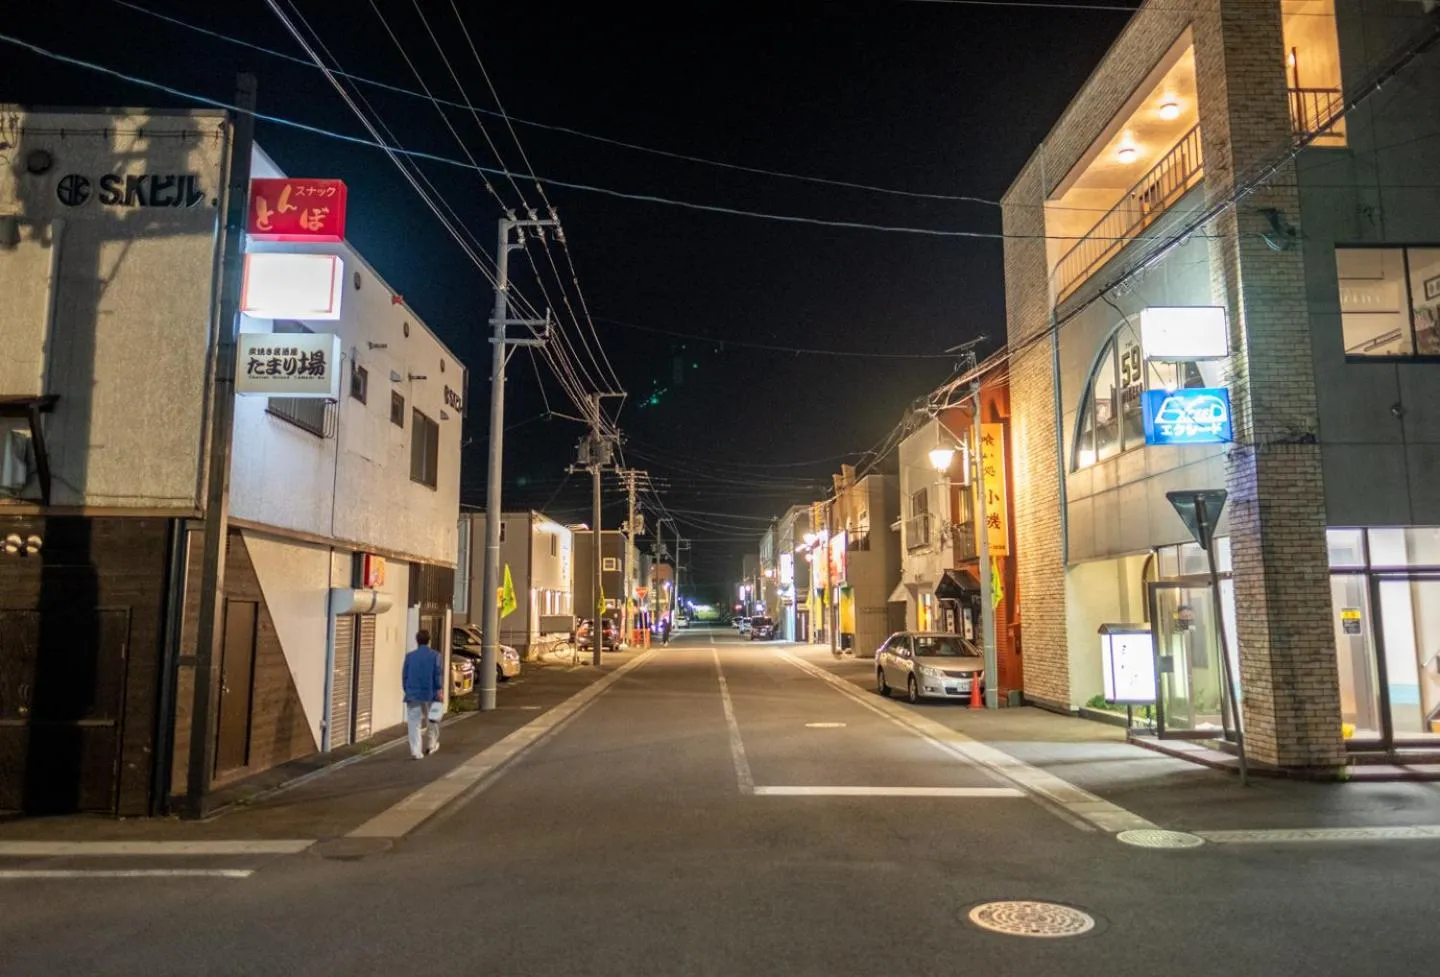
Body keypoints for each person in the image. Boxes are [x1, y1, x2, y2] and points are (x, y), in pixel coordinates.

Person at [402, 629, 445, 760]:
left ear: (417, 641)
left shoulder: (409, 657)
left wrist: (407, 690)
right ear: (429, 640)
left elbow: (404, 676)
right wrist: (439, 689)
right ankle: (431, 744)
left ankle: (416, 752)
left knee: (414, 723)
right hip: (430, 693)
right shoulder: (435, 656)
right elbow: (438, 674)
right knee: (433, 719)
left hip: (412, 694)